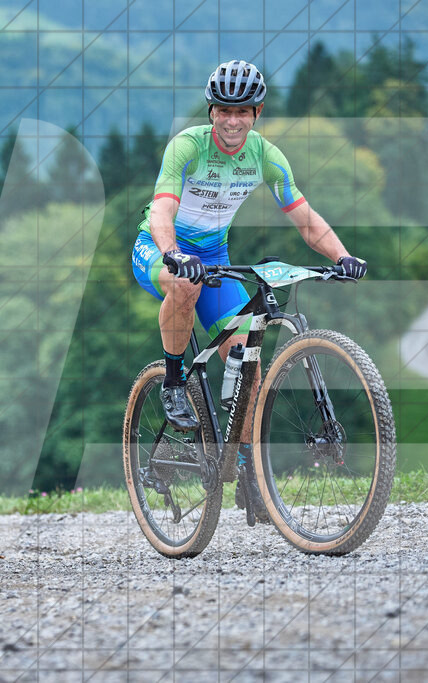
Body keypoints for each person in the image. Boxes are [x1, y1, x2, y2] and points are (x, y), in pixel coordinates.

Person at [130, 60, 367, 508]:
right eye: (223, 110)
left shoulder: (266, 156)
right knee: (185, 286)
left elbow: (305, 219)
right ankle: (174, 381)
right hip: (160, 248)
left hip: (214, 258)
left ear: (257, 113)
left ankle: (243, 468)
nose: (232, 121)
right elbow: (162, 209)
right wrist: (174, 253)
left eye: (242, 111)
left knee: (249, 363)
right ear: (211, 111)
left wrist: (342, 257)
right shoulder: (187, 147)